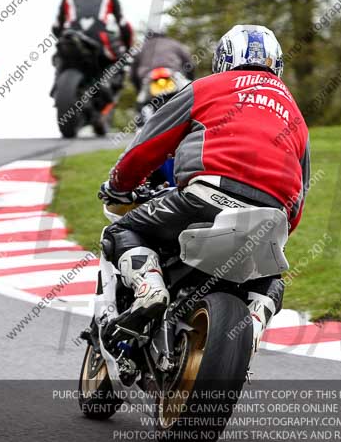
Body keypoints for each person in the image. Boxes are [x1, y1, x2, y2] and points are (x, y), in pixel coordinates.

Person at [98, 24, 311, 355]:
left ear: (223, 59)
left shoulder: (208, 86)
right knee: (270, 275)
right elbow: (301, 190)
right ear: (277, 64)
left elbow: (149, 143)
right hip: (273, 215)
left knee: (121, 230)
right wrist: (281, 229)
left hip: (205, 196)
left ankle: (150, 289)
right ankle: (255, 318)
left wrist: (118, 186)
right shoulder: (295, 112)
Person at [52, 0, 133, 122]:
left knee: (59, 59)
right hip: (102, 42)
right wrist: (128, 47)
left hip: (69, 39)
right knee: (119, 62)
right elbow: (123, 24)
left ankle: (56, 89)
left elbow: (57, 25)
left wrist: (61, 37)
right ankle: (107, 91)